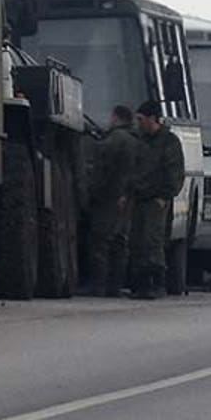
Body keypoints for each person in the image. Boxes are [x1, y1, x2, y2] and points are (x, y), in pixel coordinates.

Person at [125, 99, 187, 300]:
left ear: (152, 118)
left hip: (156, 200)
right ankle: (140, 284)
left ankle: (156, 282)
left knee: (152, 241)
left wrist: (165, 195)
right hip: (139, 198)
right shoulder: (140, 141)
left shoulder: (168, 142)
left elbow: (175, 172)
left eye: (141, 119)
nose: (138, 123)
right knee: (136, 240)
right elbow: (132, 169)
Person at [80, 104, 139, 296]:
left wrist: (92, 190)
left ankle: (98, 285)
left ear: (116, 118)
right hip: (127, 196)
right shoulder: (136, 139)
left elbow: (100, 164)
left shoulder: (116, 139)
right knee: (120, 242)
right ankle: (115, 285)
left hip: (110, 197)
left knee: (99, 240)